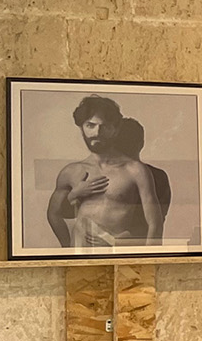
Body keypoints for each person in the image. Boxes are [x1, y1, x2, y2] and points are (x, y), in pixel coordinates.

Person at [47, 96, 166, 249]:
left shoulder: (135, 170)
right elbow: (53, 214)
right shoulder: (71, 171)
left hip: (118, 254)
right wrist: (67, 249)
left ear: (115, 129)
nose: (97, 132)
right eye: (90, 125)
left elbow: (155, 224)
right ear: (81, 127)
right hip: (80, 255)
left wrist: (148, 260)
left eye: (105, 127)